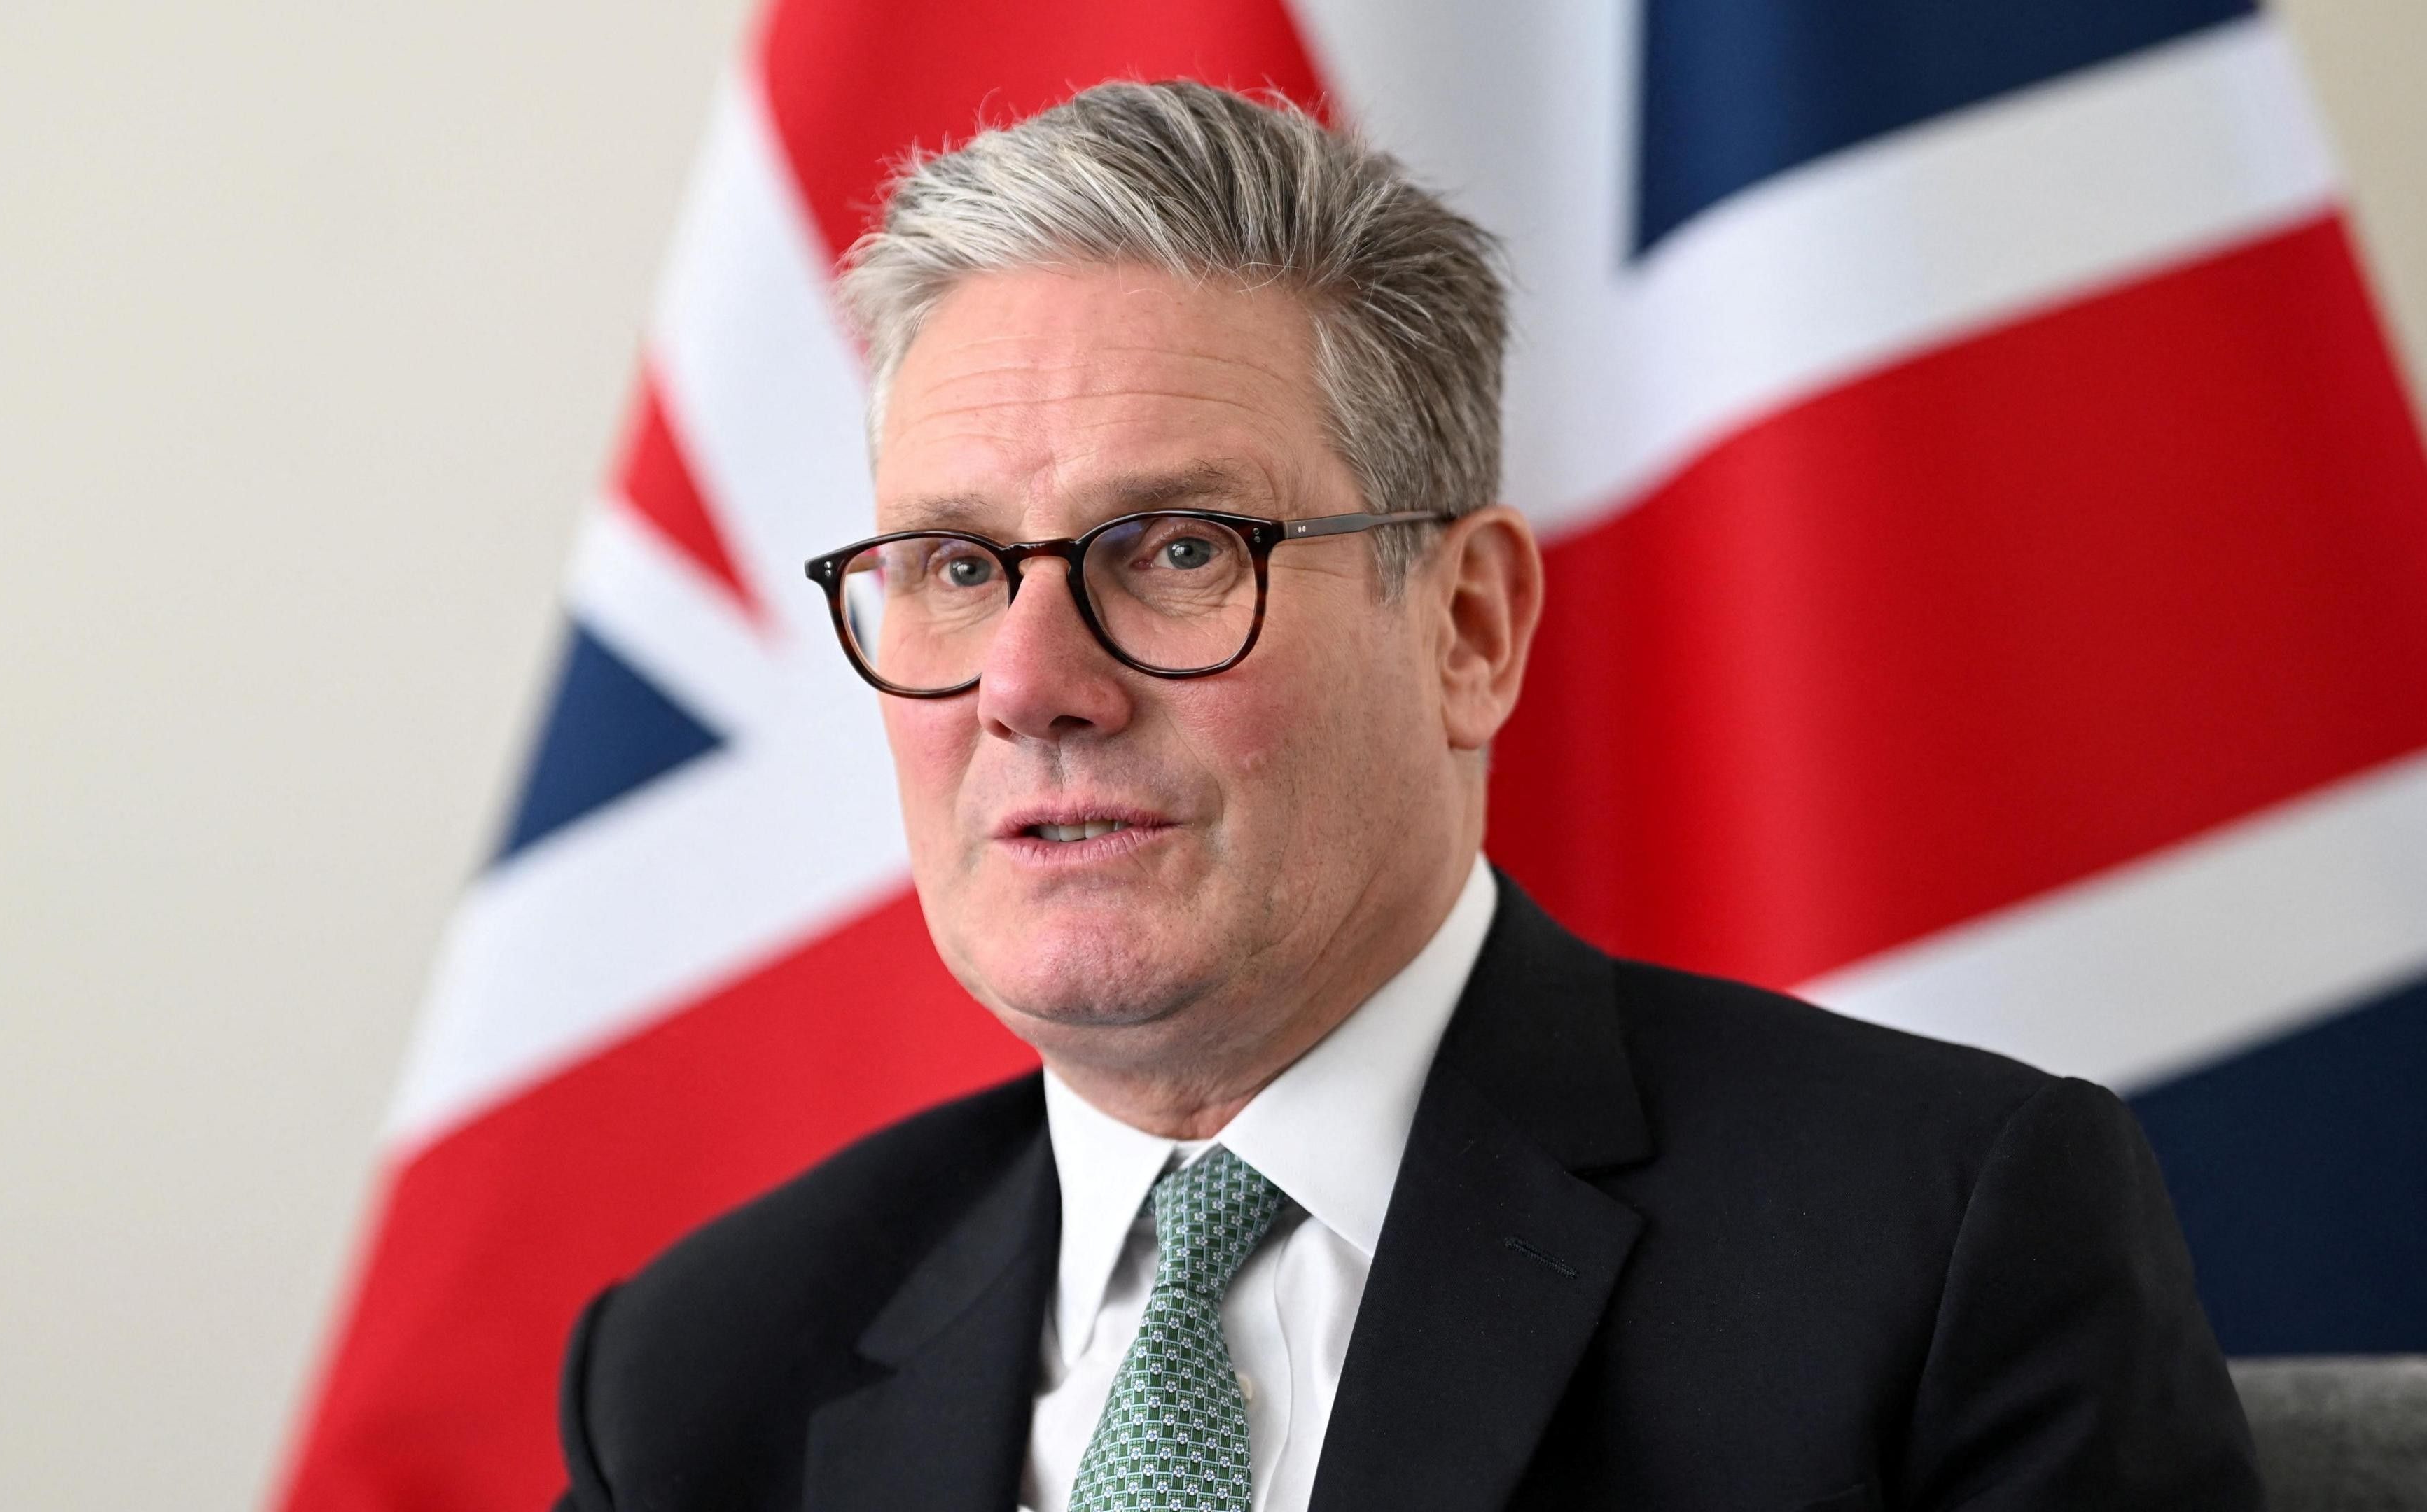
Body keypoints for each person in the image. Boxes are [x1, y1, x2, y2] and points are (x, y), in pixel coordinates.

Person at [551, 81, 2261, 1511]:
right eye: (950, 566)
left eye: (1179, 550)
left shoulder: (1937, 1247)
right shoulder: (699, 1375)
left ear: (1468, 627)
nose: (1026, 684)